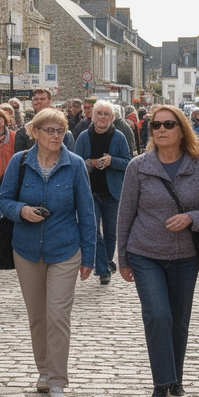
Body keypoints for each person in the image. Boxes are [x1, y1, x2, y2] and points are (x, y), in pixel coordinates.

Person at [117, 105, 199, 397]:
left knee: (178, 321)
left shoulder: (198, 167)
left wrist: (191, 218)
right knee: (158, 316)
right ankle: (161, 384)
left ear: (182, 129)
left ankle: (176, 380)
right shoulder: (138, 166)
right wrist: (122, 258)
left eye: (169, 124)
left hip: (185, 256)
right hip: (145, 253)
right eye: (156, 125)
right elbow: (125, 214)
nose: (161, 129)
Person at [0, 108, 96, 397]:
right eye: (49, 130)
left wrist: (89, 256)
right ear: (35, 132)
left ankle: (57, 382)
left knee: (58, 316)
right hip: (26, 250)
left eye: (60, 131)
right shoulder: (20, 162)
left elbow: (87, 212)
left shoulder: (75, 164)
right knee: (38, 317)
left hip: (65, 249)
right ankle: (43, 370)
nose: (56, 136)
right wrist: (22, 211)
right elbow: (3, 200)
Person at [73, 100, 132, 285]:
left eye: (107, 114)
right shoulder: (84, 136)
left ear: (112, 117)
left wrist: (112, 161)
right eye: (99, 113)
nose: (102, 117)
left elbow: (128, 162)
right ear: (93, 115)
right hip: (90, 192)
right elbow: (76, 163)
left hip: (112, 192)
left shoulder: (119, 136)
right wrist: (90, 162)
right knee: (93, 231)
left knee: (110, 233)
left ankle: (105, 262)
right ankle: (103, 268)